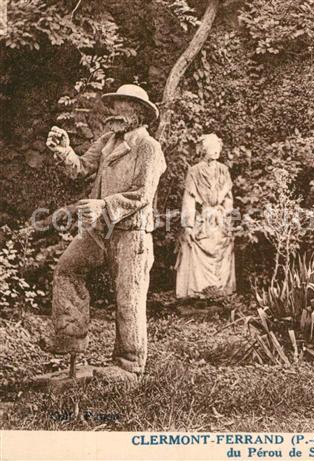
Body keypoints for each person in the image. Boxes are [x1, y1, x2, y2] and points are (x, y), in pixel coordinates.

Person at [45, 84, 166, 383]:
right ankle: (70, 339)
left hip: (131, 233)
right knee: (67, 269)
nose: (114, 111)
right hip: (100, 231)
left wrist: (104, 205)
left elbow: (142, 194)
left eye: (123, 105)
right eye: (114, 105)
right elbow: (81, 168)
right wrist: (64, 151)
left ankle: (129, 366)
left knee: (129, 298)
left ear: (138, 113)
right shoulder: (108, 140)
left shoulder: (148, 147)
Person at [175, 133, 236, 298]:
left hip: (220, 218)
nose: (216, 151)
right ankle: (199, 293)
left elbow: (229, 199)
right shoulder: (194, 171)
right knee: (194, 243)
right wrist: (188, 225)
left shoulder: (224, 170)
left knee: (223, 246)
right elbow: (189, 199)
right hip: (203, 217)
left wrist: (225, 213)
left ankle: (221, 291)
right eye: (212, 148)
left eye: (218, 148)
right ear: (203, 150)